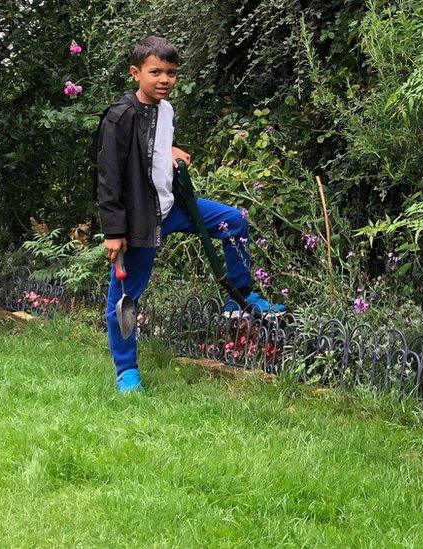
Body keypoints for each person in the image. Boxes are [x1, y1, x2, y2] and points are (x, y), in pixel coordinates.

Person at [95, 36, 285, 393]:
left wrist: (170, 151)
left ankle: (239, 298)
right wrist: (113, 230)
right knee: (125, 297)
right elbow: (109, 176)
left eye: (171, 73)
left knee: (233, 222)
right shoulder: (120, 116)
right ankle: (126, 372)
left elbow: (152, 145)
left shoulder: (166, 110)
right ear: (136, 73)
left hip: (173, 208)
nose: (164, 79)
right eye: (155, 72)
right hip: (140, 219)